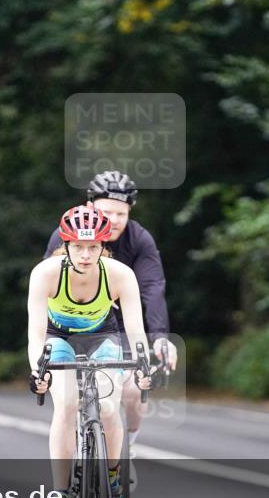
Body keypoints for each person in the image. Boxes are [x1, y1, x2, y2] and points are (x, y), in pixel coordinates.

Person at [29, 203, 153, 498]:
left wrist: (143, 365)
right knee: (68, 405)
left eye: (93, 247)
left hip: (103, 338)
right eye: (78, 247)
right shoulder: (45, 274)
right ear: (65, 246)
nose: (85, 255)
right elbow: (36, 334)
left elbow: (136, 330)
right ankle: (60, 494)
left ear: (103, 246)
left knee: (109, 407)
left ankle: (112, 482)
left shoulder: (119, 275)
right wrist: (37, 372)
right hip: (59, 340)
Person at [43, 171, 178, 457]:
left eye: (121, 213)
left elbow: (152, 288)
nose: (114, 220)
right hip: (68, 324)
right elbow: (48, 290)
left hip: (118, 324)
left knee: (131, 390)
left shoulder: (140, 240)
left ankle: (126, 445)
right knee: (68, 399)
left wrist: (159, 338)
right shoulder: (66, 234)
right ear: (90, 206)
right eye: (106, 212)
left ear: (130, 212)